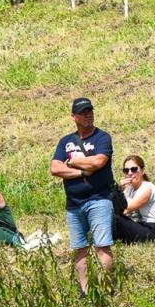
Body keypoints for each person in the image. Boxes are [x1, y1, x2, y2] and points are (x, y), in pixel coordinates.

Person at [50, 96, 116, 293]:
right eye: (83, 112)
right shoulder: (66, 141)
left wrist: (69, 162)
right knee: (80, 248)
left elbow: (98, 163)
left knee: (102, 246)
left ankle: (104, 289)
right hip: (73, 204)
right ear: (73, 116)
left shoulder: (102, 137)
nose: (88, 115)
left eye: (90, 111)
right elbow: (55, 168)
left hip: (99, 200)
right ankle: (85, 291)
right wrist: (80, 170)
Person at [113, 155, 155, 244]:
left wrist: (117, 191)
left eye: (133, 169)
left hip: (153, 230)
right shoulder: (128, 188)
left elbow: (126, 209)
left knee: (114, 218)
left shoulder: (147, 187)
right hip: (138, 226)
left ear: (142, 171)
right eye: (126, 170)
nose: (130, 173)